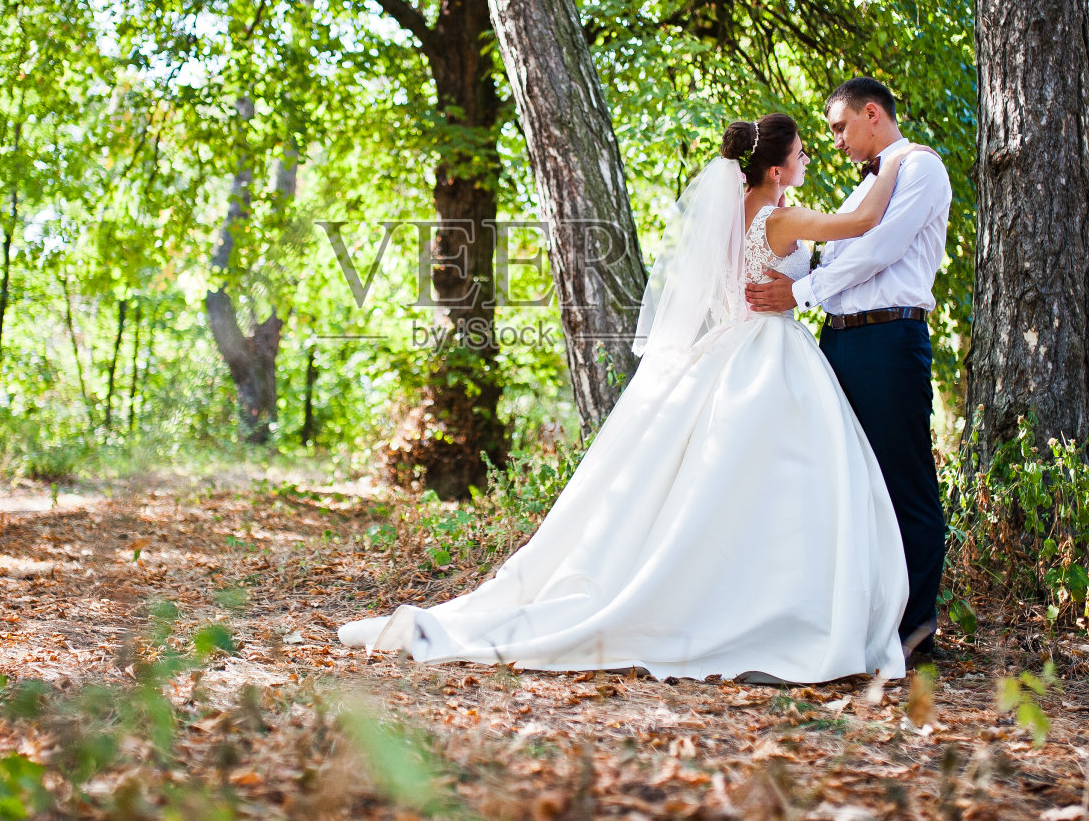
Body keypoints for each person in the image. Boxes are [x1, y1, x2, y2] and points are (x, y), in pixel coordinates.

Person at [339, 113, 936, 683]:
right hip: (771, 351)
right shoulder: (784, 220)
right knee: (789, 480)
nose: (808, 157)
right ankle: (781, 606)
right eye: (801, 151)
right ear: (777, 170)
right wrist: (896, 162)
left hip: (732, 347)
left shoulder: (739, 217)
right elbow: (863, 225)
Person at [745, 77, 952, 665]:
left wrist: (801, 291)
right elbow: (842, 244)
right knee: (850, 484)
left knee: (903, 483)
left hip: (888, 339)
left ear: (871, 114)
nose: (834, 140)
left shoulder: (920, 168)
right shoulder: (864, 184)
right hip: (839, 343)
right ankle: (858, 622)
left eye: (839, 127)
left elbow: (877, 248)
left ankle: (915, 636)